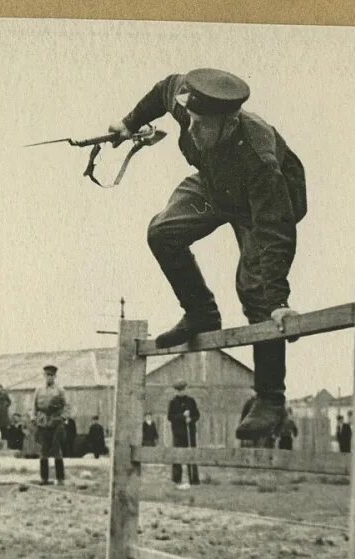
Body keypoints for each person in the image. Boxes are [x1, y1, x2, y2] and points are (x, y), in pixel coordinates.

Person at [109, 68, 307, 442]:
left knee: (255, 290)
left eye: (203, 126)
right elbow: (164, 86)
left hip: (260, 206)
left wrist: (279, 300)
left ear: (230, 123)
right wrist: (127, 123)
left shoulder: (260, 156)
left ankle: (270, 398)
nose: (193, 131)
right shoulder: (190, 105)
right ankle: (200, 311)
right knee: (162, 232)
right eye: (192, 122)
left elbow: (274, 232)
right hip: (215, 186)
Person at [33, 364, 68, 485]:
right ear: (44, 375)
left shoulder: (60, 390)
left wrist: (62, 418)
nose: (49, 377)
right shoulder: (38, 390)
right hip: (42, 422)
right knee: (43, 451)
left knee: (57, 450)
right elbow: (34, 406)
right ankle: (44, 478)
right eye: (47, 375)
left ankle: (60, 478)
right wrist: (34, 418)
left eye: (52, 375)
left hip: (55, 422)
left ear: (55, 376)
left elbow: (66, 406)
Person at [167, 380, 200, 488]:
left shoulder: (191, 401)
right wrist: (182, 416)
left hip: (190, 432)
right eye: (180, 390)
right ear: (177, 391)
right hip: (178, 433)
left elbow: (197, 415)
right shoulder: (173, 402)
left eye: (184, 389)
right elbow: (170, 417)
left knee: (192, 455)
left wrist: (191, 419)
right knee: (177, 456)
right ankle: (177, 479)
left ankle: (193, 479)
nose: (182, 392)